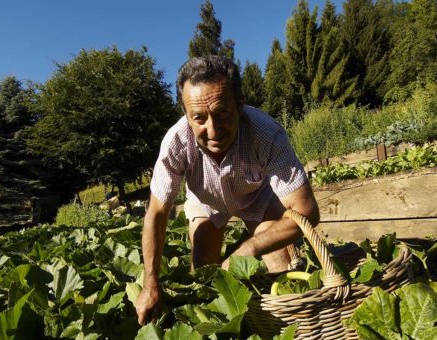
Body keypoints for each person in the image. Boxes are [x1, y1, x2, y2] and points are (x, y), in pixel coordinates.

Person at [135, 56, 319, 325]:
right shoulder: (175, 143)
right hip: (206, 200)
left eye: (222, 113)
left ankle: (285, 334)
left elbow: (307, 212)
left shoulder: (266, 134)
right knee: (205, 277)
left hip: (257, 195)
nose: (213, 130)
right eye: (199, 118)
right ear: (186, 115)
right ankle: (220, 339)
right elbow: (156, 213)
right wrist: (149, 283)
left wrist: (249, 248)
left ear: (240, 103)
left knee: (281, 267)